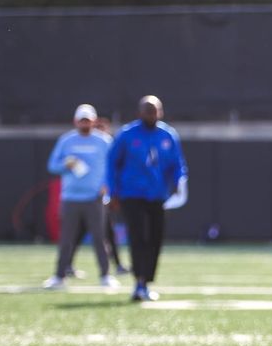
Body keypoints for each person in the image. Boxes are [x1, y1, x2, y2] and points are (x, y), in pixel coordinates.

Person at [108, 96, 187, 302]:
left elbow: (177, 164)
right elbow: (112, 164)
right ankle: (139, 282)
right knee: (138, 238)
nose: (152, 115)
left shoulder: (168, 135)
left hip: (157, 195)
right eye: (148, 111)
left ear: (160, 112)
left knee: (155, 238)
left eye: (155, 111)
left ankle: (147, 280)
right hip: (131, 194)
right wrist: (113, 192)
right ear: (139, 112)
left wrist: (179, 181)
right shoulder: (126, 135)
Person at [44, 104, 115, 290]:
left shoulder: (104, 141)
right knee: (66, 238)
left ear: (94, 121)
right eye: (82, 120)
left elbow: (115, 166)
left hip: (94, 198)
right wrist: (66, 166)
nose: (85, 123)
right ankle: (59, 275)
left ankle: (105, 275)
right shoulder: (66, 141)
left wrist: (107, 187)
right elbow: (52, 165)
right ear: (76, 121)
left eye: (88, 120)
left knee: (100, 238)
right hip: (71, 198)